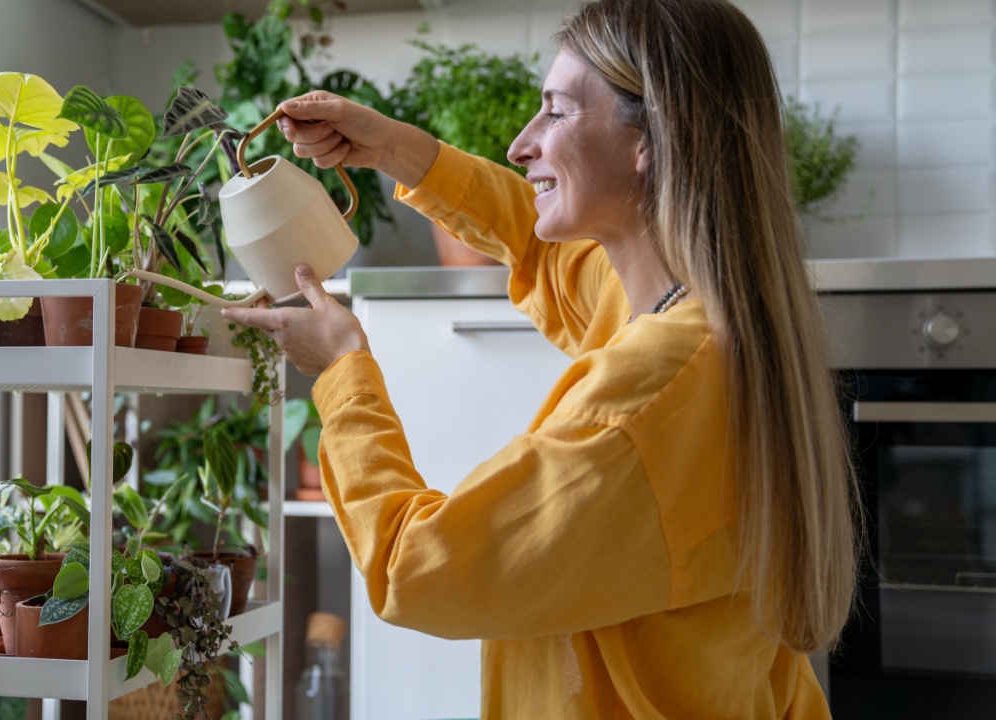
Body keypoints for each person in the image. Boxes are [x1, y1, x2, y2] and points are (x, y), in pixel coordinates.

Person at [223, 0, 861, 716]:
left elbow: (417, 569)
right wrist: (392, 147)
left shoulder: (651, 395)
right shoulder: (693, 312)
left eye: (556, 113)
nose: (521, 144)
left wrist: (343, 369)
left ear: (650, 140)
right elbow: (535, 245)